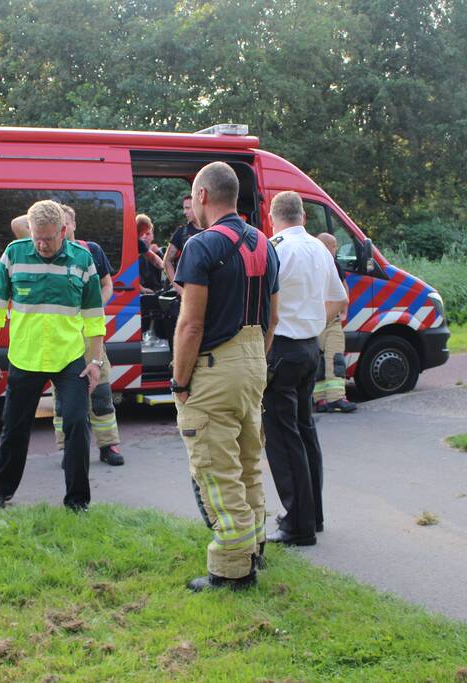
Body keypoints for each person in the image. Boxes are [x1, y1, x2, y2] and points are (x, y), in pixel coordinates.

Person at [171, 162, 280, 592]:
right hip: (254, 363)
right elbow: (273, 317)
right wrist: (255, 360)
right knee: (249, 462)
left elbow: (190, 325)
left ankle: (232, 569)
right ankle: (255, 546)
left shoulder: (201, 245)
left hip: (215, 369)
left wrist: (180, 382)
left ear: (201, 195)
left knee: (217, 470)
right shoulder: (265, 244)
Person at [0, 200, 105, 513]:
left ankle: (77, 502)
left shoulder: (82, 259)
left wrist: (95, 361)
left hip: (69, 358)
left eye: (48, 239)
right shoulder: (14, 254)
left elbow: (94, 315)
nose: (41, 245)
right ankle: (1, 492)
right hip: (26, 357)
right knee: (14, 428)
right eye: (37, 237)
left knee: (76, 423)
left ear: (63, 231)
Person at [263, 192, 347, 547]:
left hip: (282, 347)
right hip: (309, 347)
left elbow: (266, 305)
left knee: (284, 438)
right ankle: (313, 515)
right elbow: (339, 299)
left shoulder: (274, 249)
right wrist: (311, 321)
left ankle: (298, 524)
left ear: (272, 217)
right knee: (305, 431)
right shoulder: (319, 248)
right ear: (303, 216)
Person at [49, 204, 124, 466]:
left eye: (66, 222)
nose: (63, 227)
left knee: (101, 392)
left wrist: (94, 307)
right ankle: (68, 449)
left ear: (74, 224)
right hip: (61, 335)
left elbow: (107, 285)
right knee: (63, 399)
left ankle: (108, 445)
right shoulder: (47, 252)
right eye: (58, 223)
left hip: (89, 333)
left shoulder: (91, 250)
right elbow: (19, 225)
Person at [314, 233, 356, 413]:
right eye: (334, 246)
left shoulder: (311, 263)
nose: (336, 249)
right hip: (331, 319)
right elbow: (343, 290)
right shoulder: (333, 265)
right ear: (328, 247)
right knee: (336, 358)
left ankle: (320, 400)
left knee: (319, 361)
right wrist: (343, 311)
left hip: (314, 319)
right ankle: (337, 398)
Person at [162, 194, 204, 295]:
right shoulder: (181, 233)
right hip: (188, 292)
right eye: (184, 208)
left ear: (198, 206)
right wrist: (179, 289)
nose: (184, 212)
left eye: (188, 208)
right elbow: (167, 262)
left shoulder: (214, 229)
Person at [137, 214, 164, 294]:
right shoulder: (127, 242)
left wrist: (166, 269)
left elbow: (153, 258)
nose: (144, 236)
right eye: (143, 233)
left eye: (147, 233)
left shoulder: (139, 243)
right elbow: (126, 273)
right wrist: (141, 289)